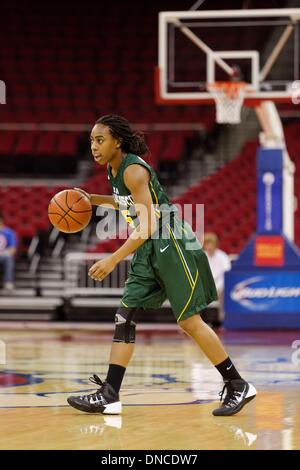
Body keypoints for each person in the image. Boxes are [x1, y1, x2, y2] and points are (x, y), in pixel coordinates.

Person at [67, 115, 256, 417]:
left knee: (189, 322)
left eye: (99, 140)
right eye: (91, 141)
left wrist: (113, 258)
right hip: (150, 247)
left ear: (117, 141)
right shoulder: (114, 170)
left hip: (171, 242)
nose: (94, 146)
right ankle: (110, 394)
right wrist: (93, 199)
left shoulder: (134, 170)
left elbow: (148, 223)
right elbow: (126, 202)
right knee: (125, 316)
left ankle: (237, 384)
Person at [203, 232, 231, 324]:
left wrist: (217, 288)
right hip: (205, 287)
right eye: (207, 244)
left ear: (215, 244)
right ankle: (195, 322)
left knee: (223, 291)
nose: (209, 246)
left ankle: (222, 320)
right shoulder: (202, 256)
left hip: (220, 287)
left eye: (210, 243)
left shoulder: (223, 257)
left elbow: (227, 275)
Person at [0, 212, 17, 292]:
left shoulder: (8, 232)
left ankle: (8, 282)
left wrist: (4, 253)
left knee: (8, 258)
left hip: (3, 255)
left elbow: (13, 249)